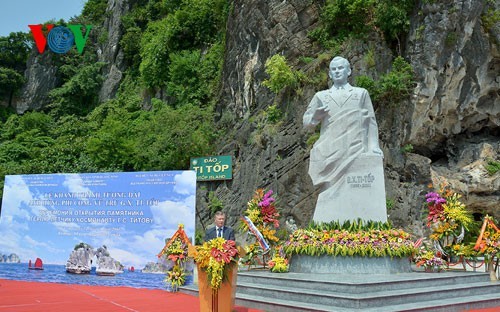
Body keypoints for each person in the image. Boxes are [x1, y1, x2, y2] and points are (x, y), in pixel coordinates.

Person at [303, 56, 386, 223]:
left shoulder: (360, 93)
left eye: (340, 68)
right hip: (330, 150)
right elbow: (306, 122)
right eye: (333, 69)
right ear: (329, 74)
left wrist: (373, 146)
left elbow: (370, 120)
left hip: (356, 148)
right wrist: (315, 116)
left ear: (349, 71)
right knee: (330, 190)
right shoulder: (321, 96)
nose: (337, 71)